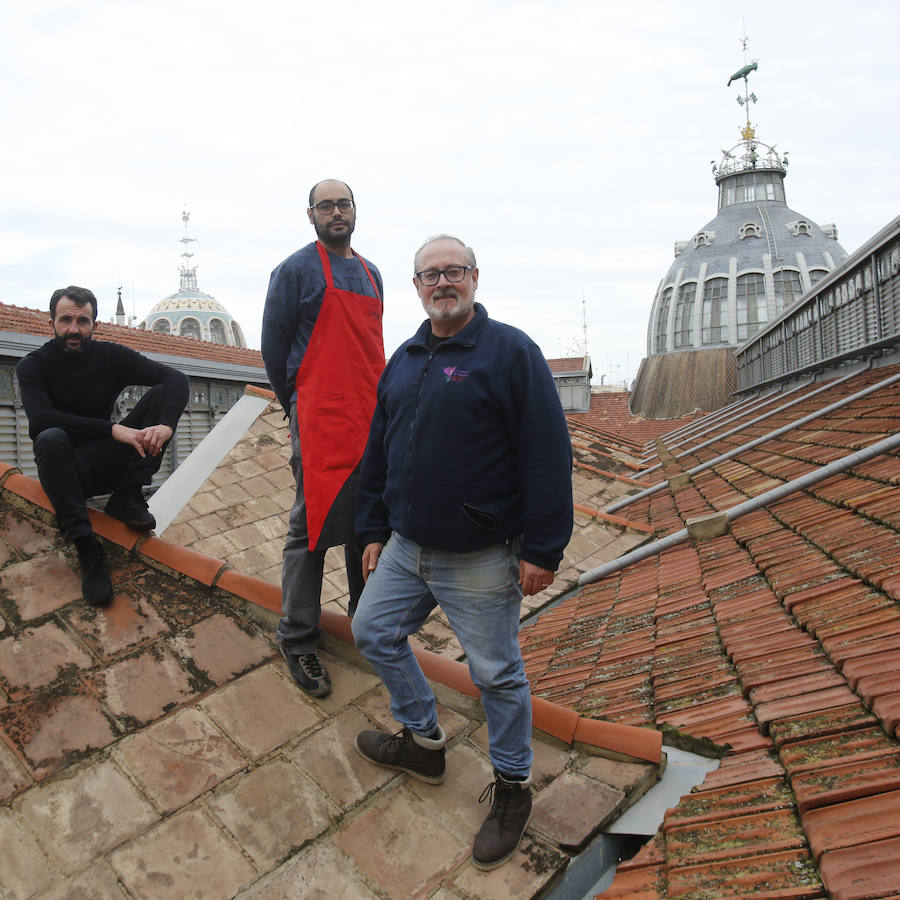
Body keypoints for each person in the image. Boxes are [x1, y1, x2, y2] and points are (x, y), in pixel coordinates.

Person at [351, 235, 573, 870]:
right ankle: (424, 740)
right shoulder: (407, 355)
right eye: (429, 275)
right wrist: (372, 529)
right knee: (372, 632)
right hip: (406, 545)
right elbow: (380, 449)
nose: (441, 282)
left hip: (479, 553)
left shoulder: (509, 353)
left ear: (474, 278)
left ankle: (511, 786)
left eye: (453, 272)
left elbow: (547, 453)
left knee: (496, 674)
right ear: (417, 287)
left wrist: (543, 547)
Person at [261, 179, 384, 699]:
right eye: (326, 205)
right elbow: (274, 347)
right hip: (318, 413)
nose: (336, 211)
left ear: (355, 211)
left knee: (368, 522)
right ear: (310, 214)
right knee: (309, 527)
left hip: (372, 412)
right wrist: (296, 402)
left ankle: (365, 625)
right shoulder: (294, 270)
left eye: (344, 203)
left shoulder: (374, 274)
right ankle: (298, 637)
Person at [16, 285, 189, 607]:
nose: (73, 329)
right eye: (66, 320)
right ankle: (86, 549)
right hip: (68, 472)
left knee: (162, 396)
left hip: (109, 462)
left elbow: (176, 379)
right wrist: (113, 430)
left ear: (95, 324)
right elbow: (41, 418)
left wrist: (166, 425)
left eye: (82, 321)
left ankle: (128, 496)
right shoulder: (33, 366)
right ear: (51, 321)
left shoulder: (111, 356)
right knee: (50, 437)